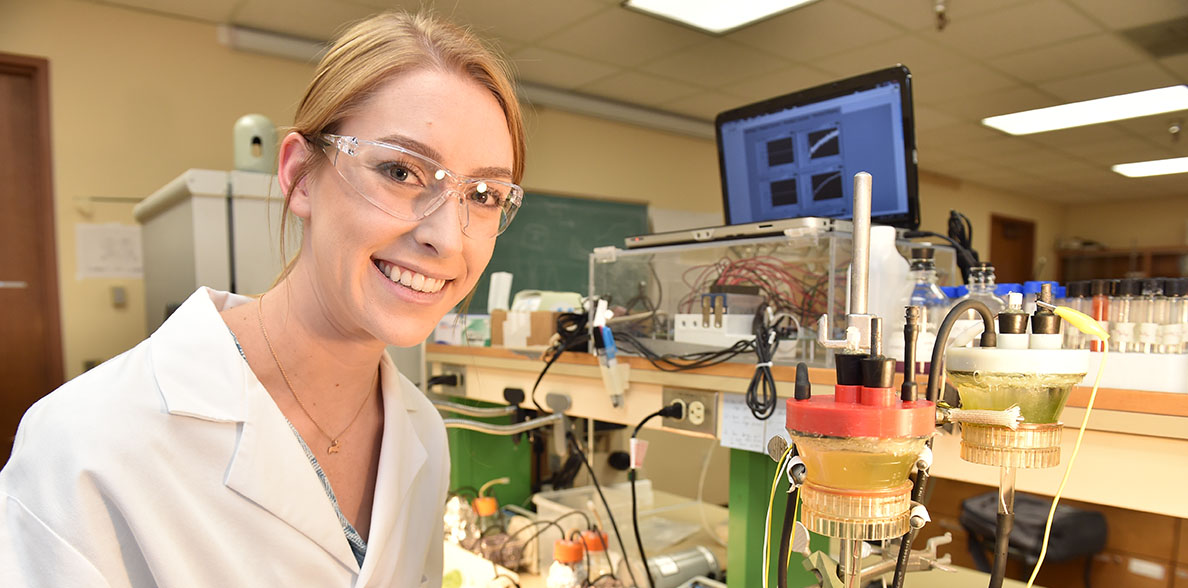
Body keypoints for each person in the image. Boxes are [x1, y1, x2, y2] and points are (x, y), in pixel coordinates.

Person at [0, 11, 525, 587]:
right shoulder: (84, 443)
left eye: (483, 193)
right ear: (301, 176)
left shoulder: (420, 431)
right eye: (401, 171)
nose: (446, 237)